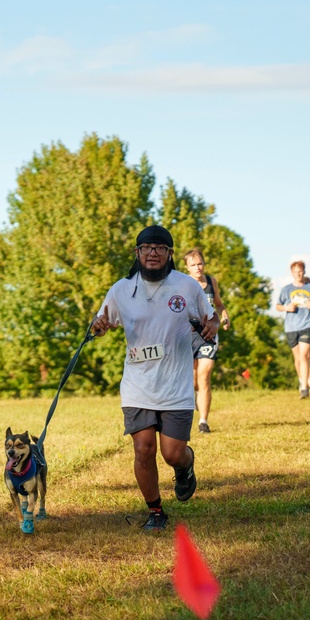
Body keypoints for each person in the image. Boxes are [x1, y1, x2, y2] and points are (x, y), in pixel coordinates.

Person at [91, 225, 219, 531]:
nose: (153, 253)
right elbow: (100, 322)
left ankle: (185, 467)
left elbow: (210, 316)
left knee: (173, 454)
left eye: (160, 248)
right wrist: (98, 327)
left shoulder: (187, 286)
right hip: (137, 385)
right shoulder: (122, 289)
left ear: (170, 254)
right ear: (137, 253)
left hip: (175, 385)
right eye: (146, 248)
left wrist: (212, 325)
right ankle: (156, 510)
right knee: (143, 449)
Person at [183, 248, 230, 434]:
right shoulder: (183, 284)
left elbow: (218, 303)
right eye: (193, 265)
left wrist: (225, 316)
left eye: (200, 263)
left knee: (204, 375)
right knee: (193, 379)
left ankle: (203, 421)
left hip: (209, 335)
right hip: (188, 335)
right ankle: (193, 396)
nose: (198, 267)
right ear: (187, 267)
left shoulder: (211, 282)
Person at [276, 261, 310, 399]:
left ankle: (304, 389)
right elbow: (278, 305)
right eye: (296, 271)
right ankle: (303, 380)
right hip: (291, 326)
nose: (298, 274)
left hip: (307, 324)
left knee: (305, 356)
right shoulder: (286, 289)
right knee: (297, 358)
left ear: (304, 271)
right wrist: (286, 308)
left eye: (300, 271)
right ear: (292, 273)